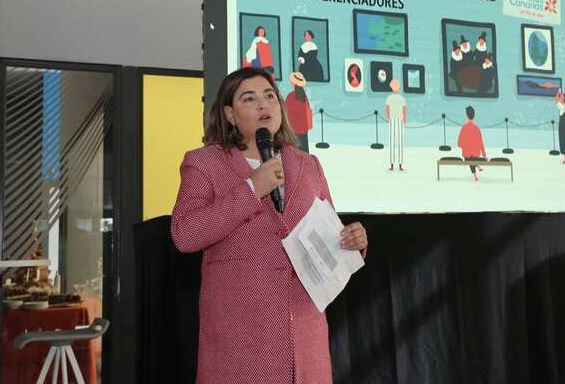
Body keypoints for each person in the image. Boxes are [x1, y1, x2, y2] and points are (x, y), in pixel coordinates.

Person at [171, 67, 368, 384]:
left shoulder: (307, 165)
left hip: (305, 340)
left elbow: (328, 232)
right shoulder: (203, 163)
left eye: (269, 96)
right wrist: (252, 189)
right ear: (230, 115)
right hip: (241, 342)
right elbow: (185, 234)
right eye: (249, 98)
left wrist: (351, 241)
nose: (263, 104)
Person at [457, 106, 487, 181]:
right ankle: (477, 169)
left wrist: (466, 145)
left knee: (469, 159)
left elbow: (459, 144)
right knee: (473, 159)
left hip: (467, 155)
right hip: (476, 155)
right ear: (474, 116)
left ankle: (475, 175)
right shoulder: (477, 128)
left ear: (466, 115)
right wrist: (484, 155)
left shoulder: (463, 128)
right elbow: (481, 143)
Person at [285, 71, 313, 153]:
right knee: (304, 152)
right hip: (303, 129)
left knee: (294, 152)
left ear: (294, 83)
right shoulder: (304, 96)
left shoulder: (291, 96)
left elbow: (286, 111)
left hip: (293, 128)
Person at [385, 78, 407, 171]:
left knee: (392, 142)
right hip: (400, 119)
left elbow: (387, 109)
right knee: (400, 142)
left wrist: (388, 118)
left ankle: (392, 164)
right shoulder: (402, 98)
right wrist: (404, 120)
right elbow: (404, 110)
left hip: (392, 119)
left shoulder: (389, 98)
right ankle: (400, 164)